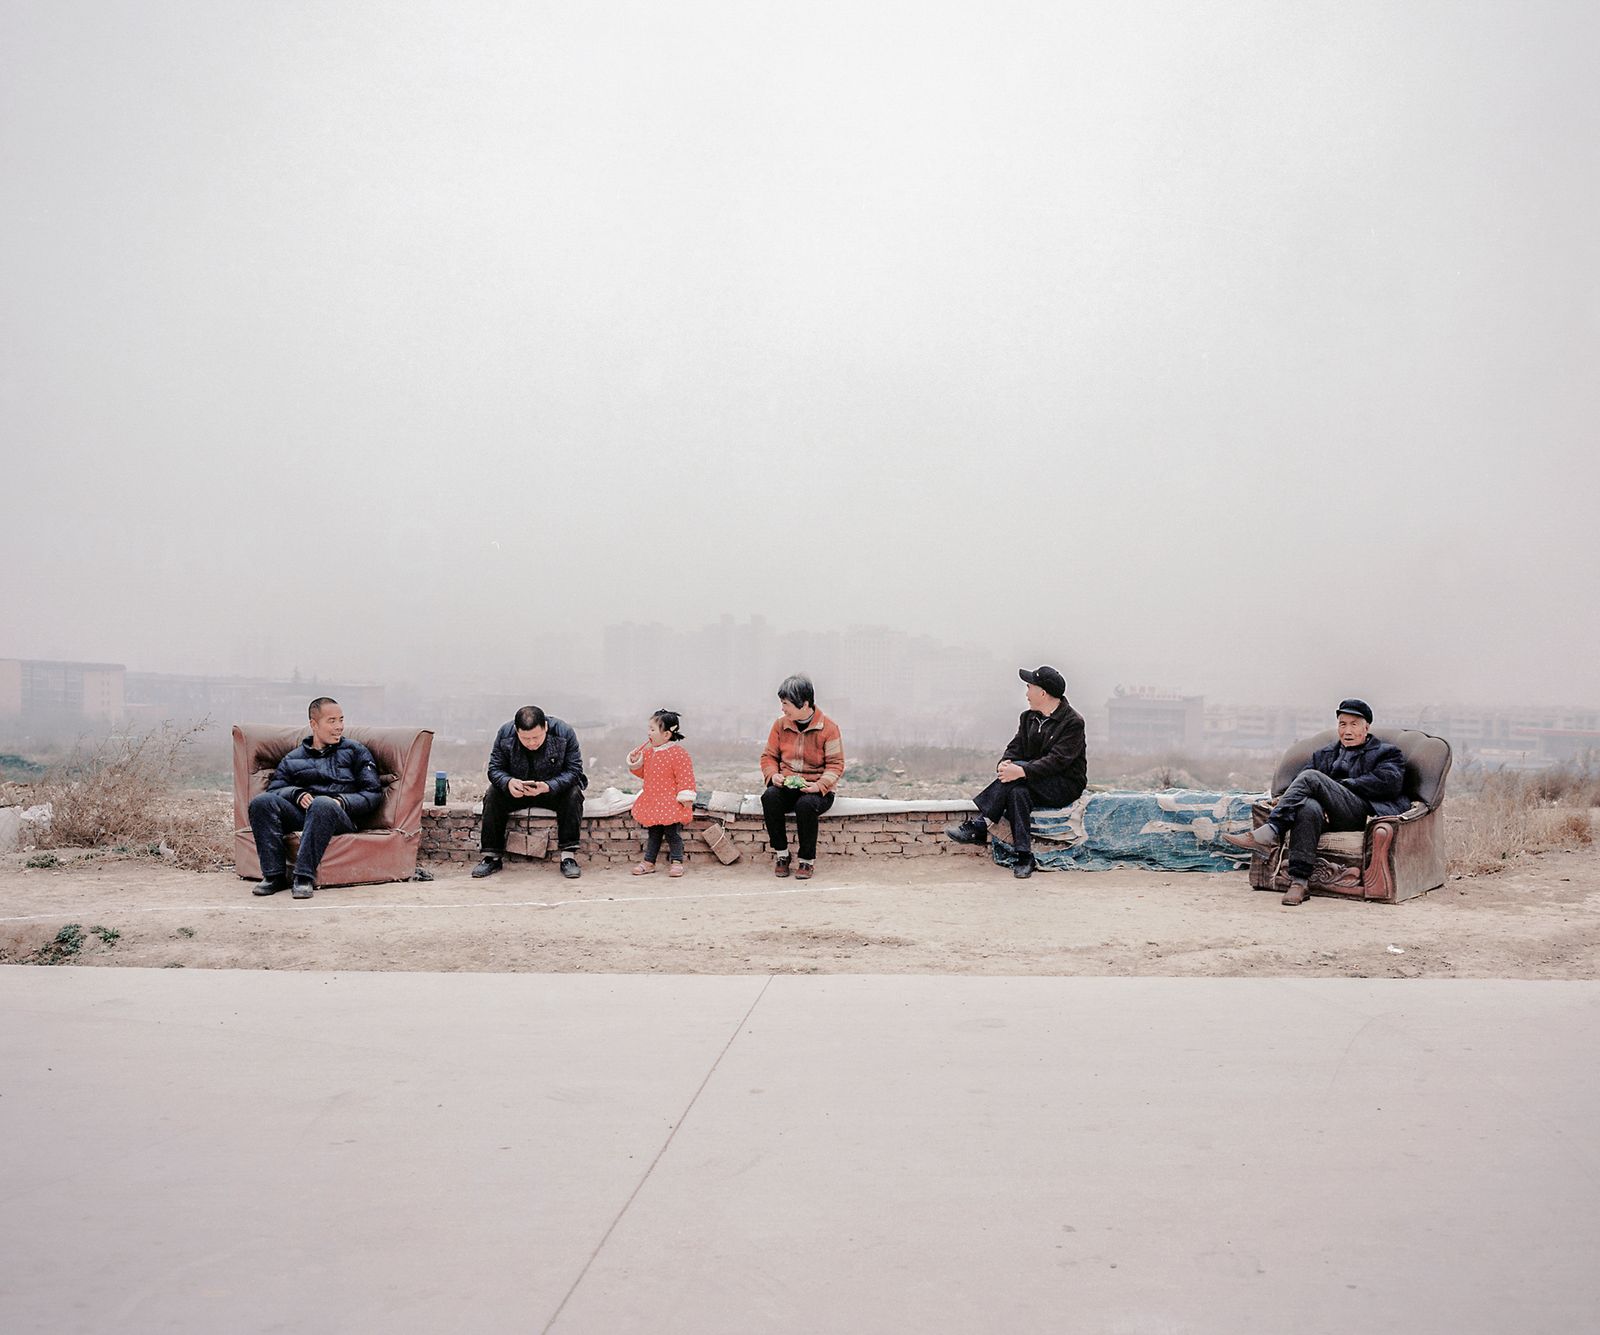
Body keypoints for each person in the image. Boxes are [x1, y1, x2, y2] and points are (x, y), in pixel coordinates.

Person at [1223, 698, 1408, 906]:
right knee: (1308, 807)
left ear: (1366, 727)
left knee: (1312, 777)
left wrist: (1339, 787)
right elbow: (1300, 784)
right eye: (1342, 724)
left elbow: (1389, 783)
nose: (1347, 730)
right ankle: (1299, 883)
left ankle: (1270, 830)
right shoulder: (1325, 755)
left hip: (1360, 813)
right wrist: (1319, 798)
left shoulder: (1386, 753)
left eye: (1354, 724)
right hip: (1327, 816)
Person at [945, 666, 1088, 879]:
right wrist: (1005, 764)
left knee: (1016, 782)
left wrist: (1020, 770)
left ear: (1043, 693)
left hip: (1063, 784)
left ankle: (981, 824)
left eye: (1030, 687)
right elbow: (1015, 746)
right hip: (1031, 780)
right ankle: (1024, 856)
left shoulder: (1072, 722)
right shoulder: (1027, 718)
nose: (1026, 693)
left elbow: (1057, 761)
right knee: (1016, 793)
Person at [249, 697, 383, 900]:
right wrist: (296, 794)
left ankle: (303, 877)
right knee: (261, 802)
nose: (339, 727)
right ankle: (273, 876)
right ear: (314, 724)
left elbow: (373, 794)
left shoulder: (356, 751)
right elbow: (274, 791)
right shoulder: (293, 759)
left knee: (323, 803)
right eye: (332, 721)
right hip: (305, 815)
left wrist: (342, 801)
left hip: (341, 817)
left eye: (341, 720)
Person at [471, 706, 587, 880]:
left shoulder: (564, 732)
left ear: (546, 727)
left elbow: (574, 770)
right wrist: (508, 782)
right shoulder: (505, 734)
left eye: (536, 737)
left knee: (573, 793)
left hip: (552, 790)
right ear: (517, 731)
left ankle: (568, 857)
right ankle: (492, 857)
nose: (532, 743)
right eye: (525, 738)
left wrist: (549, 786)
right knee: (493, 793)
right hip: (518, 790)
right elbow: (494, 769)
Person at [759, 674, 845, 880]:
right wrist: (773, 775)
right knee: (769, 797)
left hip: (818, 790)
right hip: (787, 785)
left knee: (805, 805)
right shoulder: (780, 725)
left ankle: (807, 861)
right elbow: (768, 756)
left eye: (786, 704)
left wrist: (819, 786)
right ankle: (781, 854)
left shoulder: (829, 728)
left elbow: (836, 765)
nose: (783, 709)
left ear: (804, 704)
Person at [626, 709, 697, 878]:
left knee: (673, 833)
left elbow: (685, 776)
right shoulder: (649, 753)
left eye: (652, 729)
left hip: (671, 801)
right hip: (652, 800)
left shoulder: (678, 754)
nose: (648, 733)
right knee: (654, 833)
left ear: (666, 734)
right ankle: (649, 862)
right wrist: (636, 761)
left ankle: (677, 861)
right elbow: (643, 773)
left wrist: (686, 797)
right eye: (648, 729)